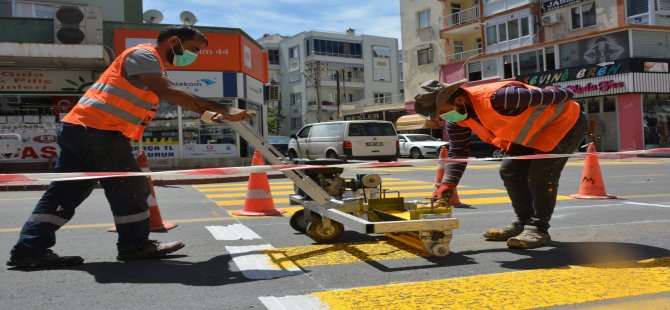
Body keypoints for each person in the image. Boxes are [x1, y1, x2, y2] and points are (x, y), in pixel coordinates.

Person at [7, 25, 251, 268]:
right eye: (193, 49)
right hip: (99, 131)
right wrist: (225, 108)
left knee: (64, 193)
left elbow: (170, 98)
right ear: (174, 42)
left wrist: (211, 116)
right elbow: (169, 92)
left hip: (82, 129)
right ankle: (134, 246)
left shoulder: (152, 66)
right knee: (131, 187)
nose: (194, 56)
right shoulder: (143, 55)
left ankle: (30, 249)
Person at [414, 79, 587, 249]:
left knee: (541, 174)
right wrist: (448, 185)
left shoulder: (502, 97)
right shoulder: (457, 120)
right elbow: (458, 152)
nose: (442, 118)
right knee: (509, 170)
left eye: (443, 111)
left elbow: (562, 94)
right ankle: (523, 223)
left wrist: (561, 90)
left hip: (565, 124)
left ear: (458, 100)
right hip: (532, 133)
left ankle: (538, 229)